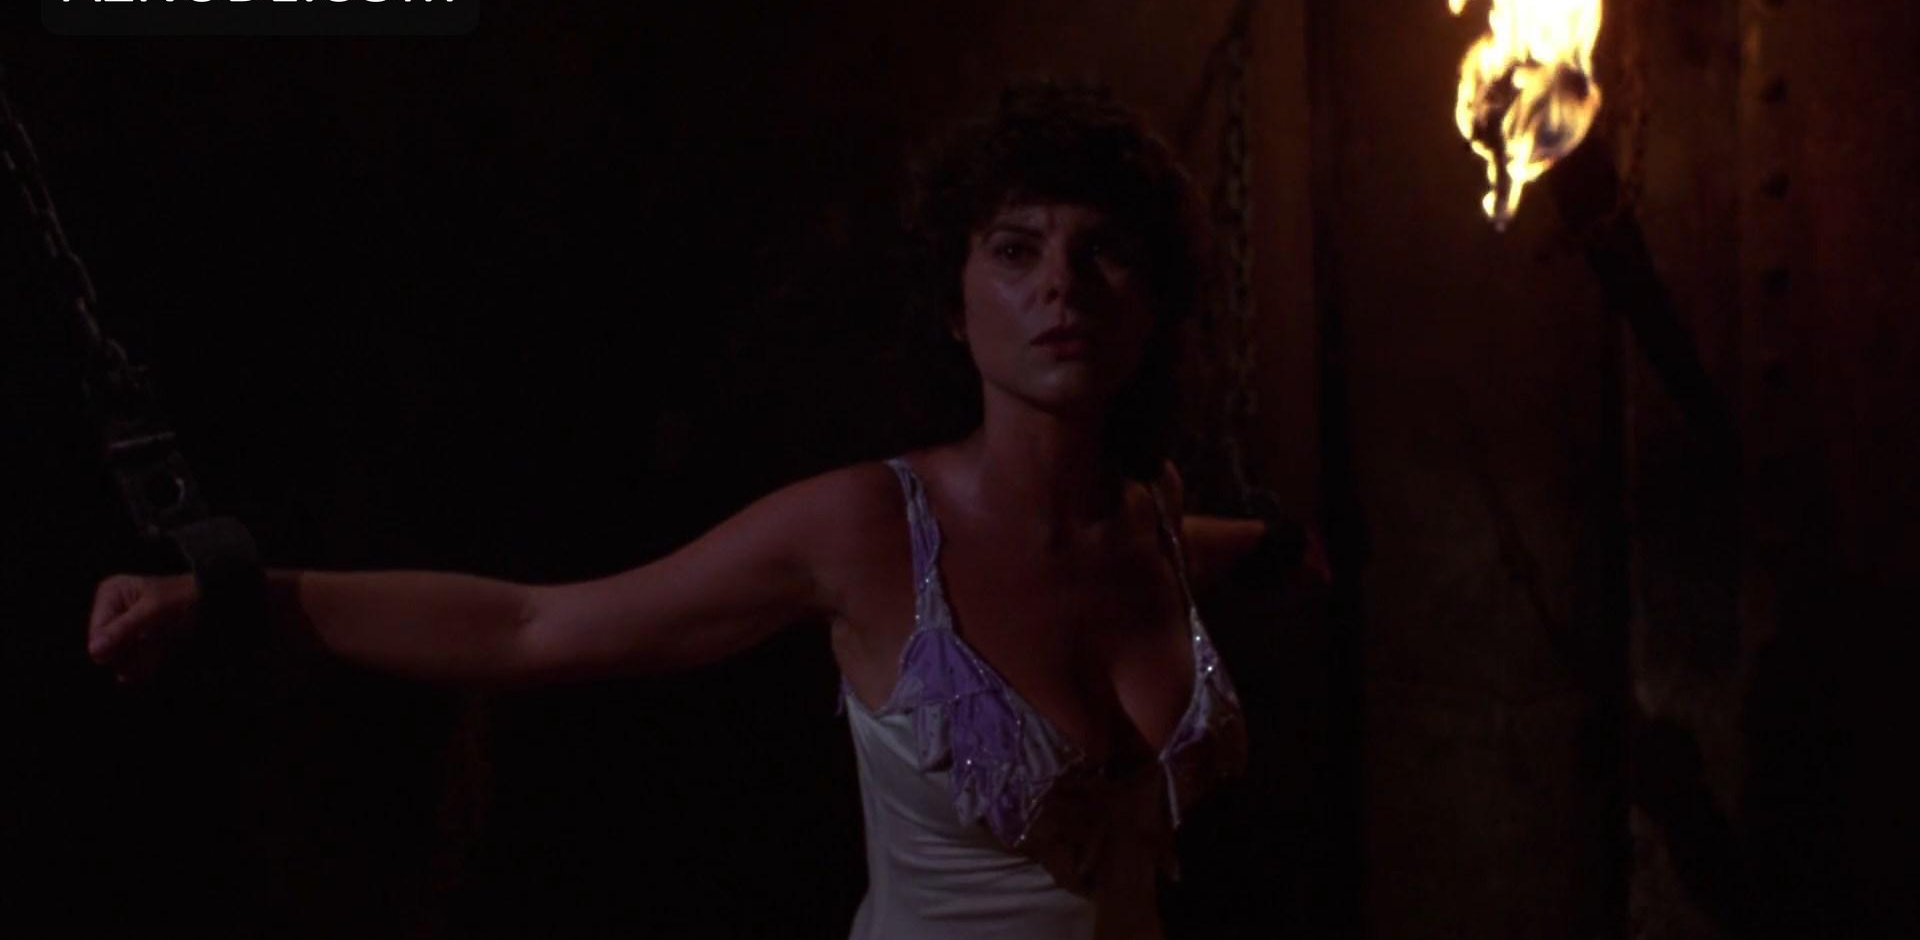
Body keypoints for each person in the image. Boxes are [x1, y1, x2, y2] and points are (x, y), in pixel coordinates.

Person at [87, 81, 1295, 940]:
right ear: (953, 300)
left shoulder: (1153, 518)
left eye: (1102, 252)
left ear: (1153, 300)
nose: (1061, 289)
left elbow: (1173, 552)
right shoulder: (869, 531)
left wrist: (1287, 545)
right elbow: (531, 627)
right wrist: (229, 596)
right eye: (1017, 251)